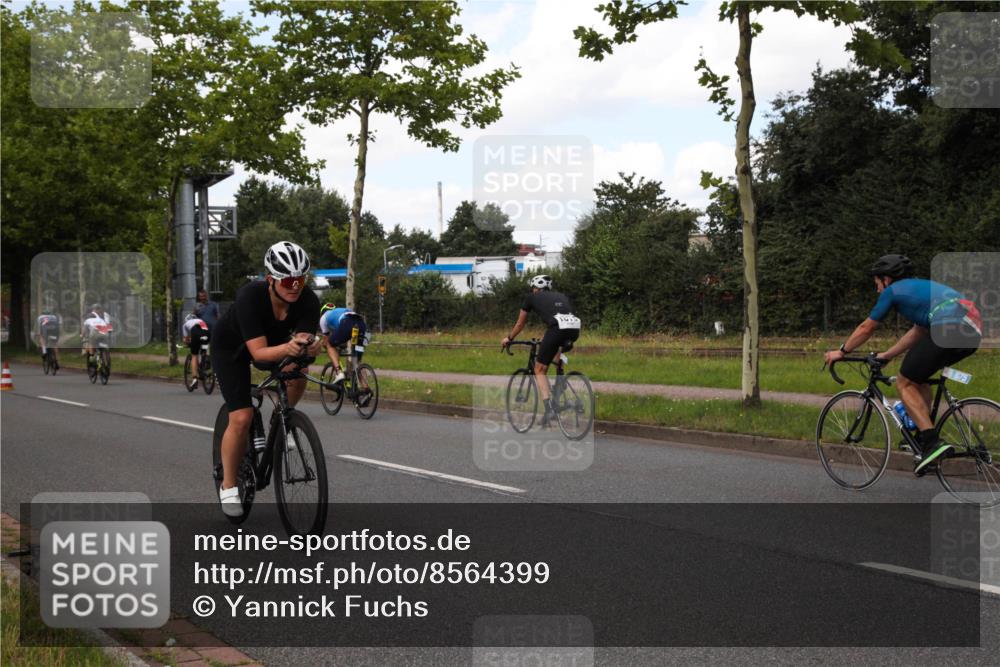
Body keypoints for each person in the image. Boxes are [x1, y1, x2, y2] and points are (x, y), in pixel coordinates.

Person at [824, 254, 982, 476]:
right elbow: (918, 331)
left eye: (877, 283)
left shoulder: (893, 291)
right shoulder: (919, 287)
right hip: (972, 330)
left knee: (904, 381)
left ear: (886, 279)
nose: (878, 289)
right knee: (918, 377)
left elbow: (866, 327)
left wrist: (841, 351)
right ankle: (922, 434)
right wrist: (887, 355)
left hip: (948, 327)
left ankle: (931, 443)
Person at [210, 241, 323, 516]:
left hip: (272, 344)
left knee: (299, 371)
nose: (295, 285)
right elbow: (259, 354)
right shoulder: (250, 296)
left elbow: (303, 342)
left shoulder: (308, 300)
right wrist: (289, 347)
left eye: (300, 279)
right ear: (271, 279)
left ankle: (281, 418)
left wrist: (311, 346)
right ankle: (228, 486)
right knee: (241, 417)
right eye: (288, 280)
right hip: (232, 349)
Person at [501, 275, 581, 426]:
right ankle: (559, 384)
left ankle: (549, 408)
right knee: (556, 348)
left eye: (533, 288)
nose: (532, 290)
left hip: (557, 329)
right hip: (575, 329)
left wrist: (509, 338)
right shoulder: (561, 295)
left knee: (539, 369)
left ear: (535, 288)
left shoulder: (531, 297)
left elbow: (520, 324)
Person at [318, 303, 368, 384]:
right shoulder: (340, 311)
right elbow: (343, 337)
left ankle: (339, 372)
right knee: (357, 361)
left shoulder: (323, 318)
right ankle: (365, 387)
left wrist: (322, 345)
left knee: (329, 345)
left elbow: (326, 340)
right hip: (361, 325)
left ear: (322, 312)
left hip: (347, 324)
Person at [182, 313, 210, 389]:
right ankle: (205, 362)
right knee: (204, 349)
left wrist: (188, 343)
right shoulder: (200, 320)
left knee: (194, 355)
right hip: (207, 332)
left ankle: (195, 379)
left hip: (195, 332)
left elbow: (185, 339)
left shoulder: (185, 325)